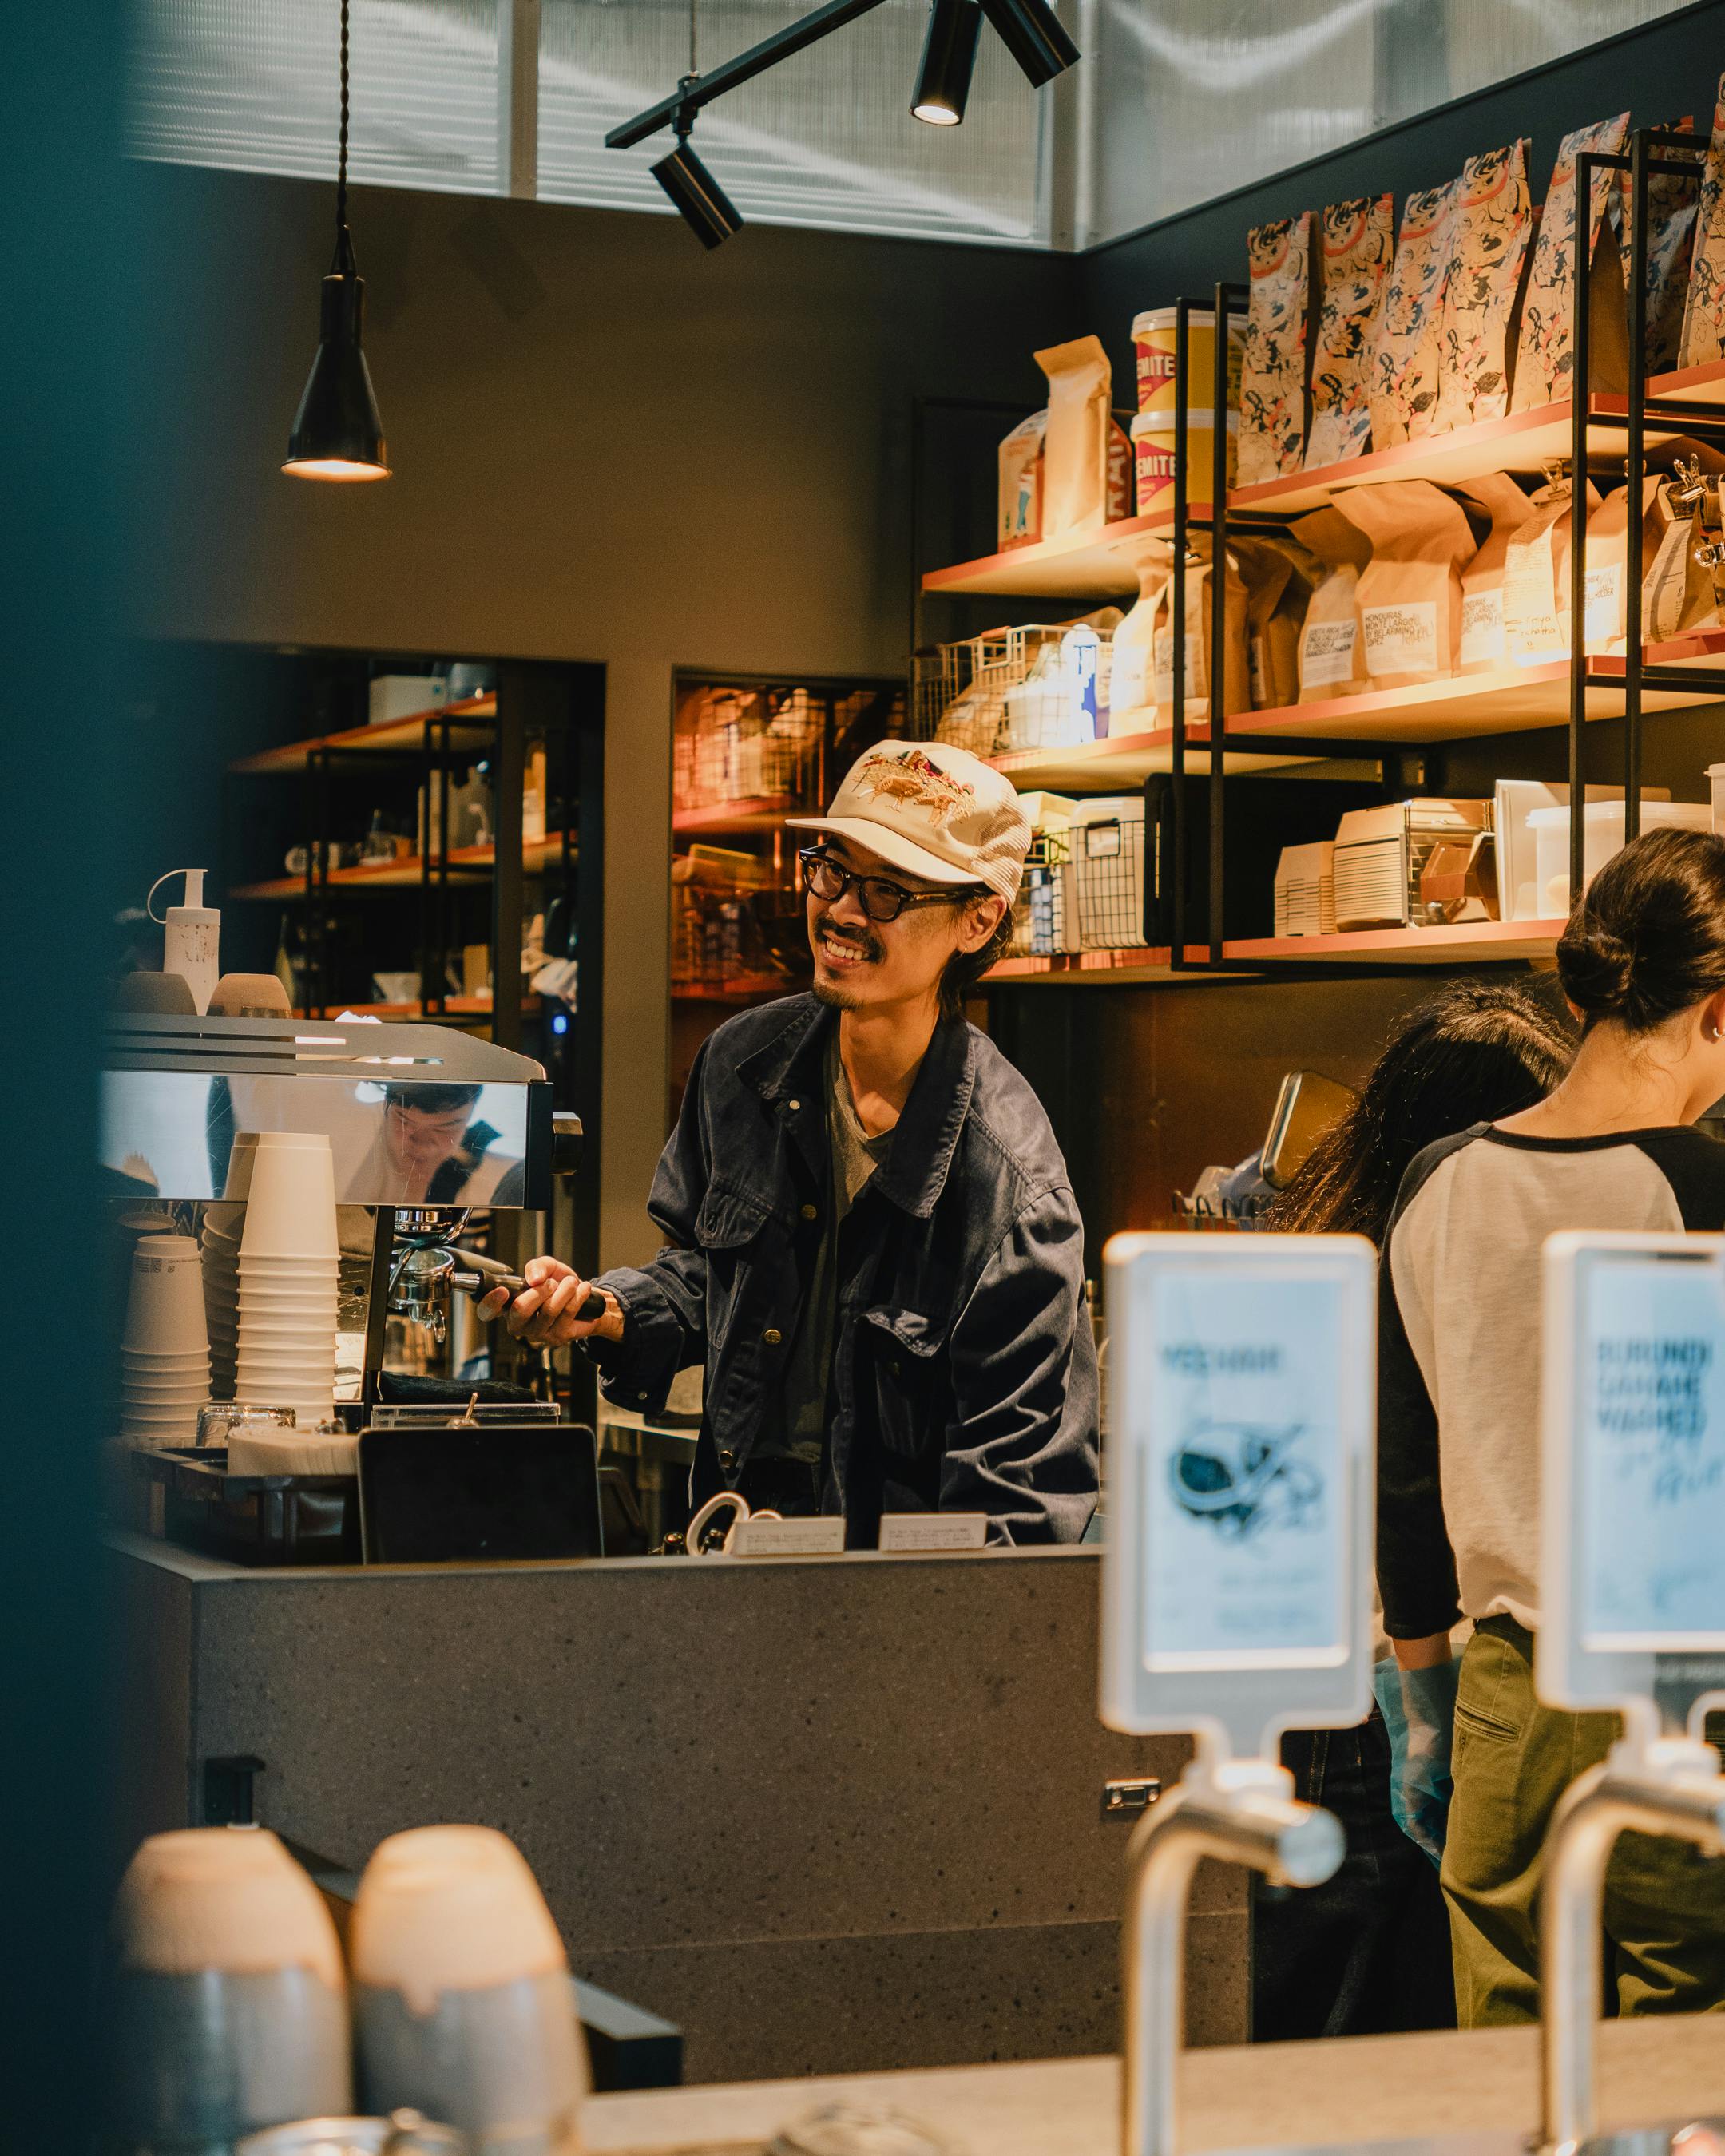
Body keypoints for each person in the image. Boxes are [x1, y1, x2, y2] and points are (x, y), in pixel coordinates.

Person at [483, 739, 1100, 1544]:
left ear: (978, 919)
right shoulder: (743, 1065)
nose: (841, 910)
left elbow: (1019, 1512)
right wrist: (601, 1312)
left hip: (891, 1616)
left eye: (887, 892)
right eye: (833, 870)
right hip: (735, 1561)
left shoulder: (1010, 1186)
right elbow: (709, 1276)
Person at [1379, 829, 1725, 2027]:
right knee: (1684, 2056)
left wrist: (1425, 1704)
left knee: (1511, 2057)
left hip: (1502, 1695)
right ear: (1717, 1014)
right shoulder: (1701, 1187)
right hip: (1687, 1693)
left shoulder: (1437, 1180)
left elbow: (1408, 1480)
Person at [1253, 981, 1575, 2041]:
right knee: (1373, 2035)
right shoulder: (1419, 1290)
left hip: (1350, 1715)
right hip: (1373, 1724)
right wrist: (1424, 1703)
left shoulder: (1345, 1276)